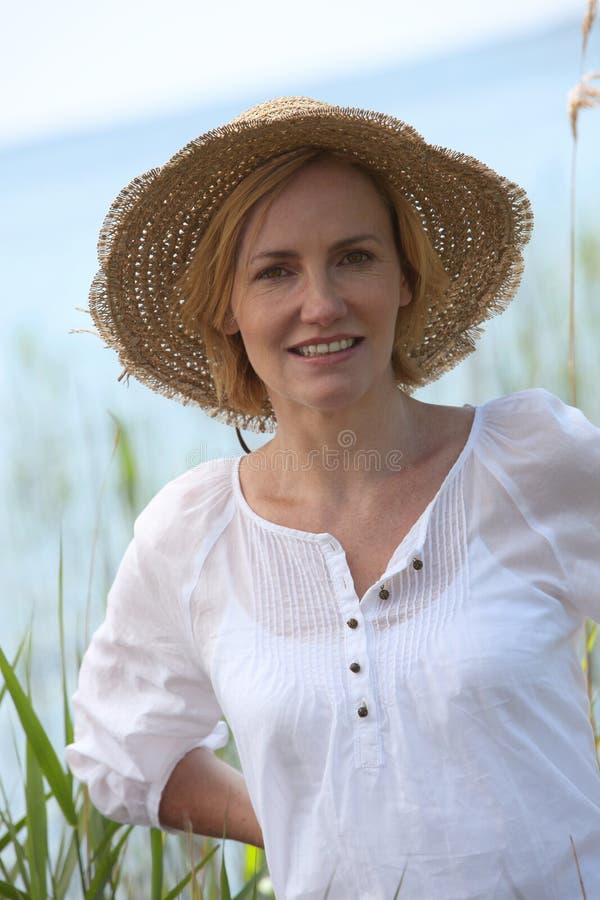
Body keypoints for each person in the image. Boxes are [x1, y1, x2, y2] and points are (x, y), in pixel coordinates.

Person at [66, 97, 600, 899]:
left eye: (354, 257)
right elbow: (121, 754)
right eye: (275, 270)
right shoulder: (194, 536)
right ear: (228, 309)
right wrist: (294, 817)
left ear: (406, 278)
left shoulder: (532, 462)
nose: (321, 303)